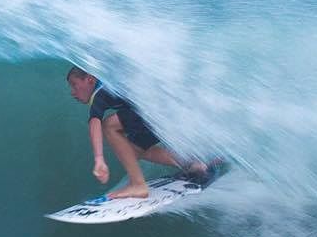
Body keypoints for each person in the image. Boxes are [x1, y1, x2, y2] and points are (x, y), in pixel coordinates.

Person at [66, 66, 211, 200]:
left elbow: (94, 122)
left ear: (90, 80)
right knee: (133, 150)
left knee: (109, 126)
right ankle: (193, 164)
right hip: (165, 107)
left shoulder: (100, 93)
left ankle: (137, 185)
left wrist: (99, 159)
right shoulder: (110, 83)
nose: (72, 92)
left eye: (74, 85)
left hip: (155, 108)